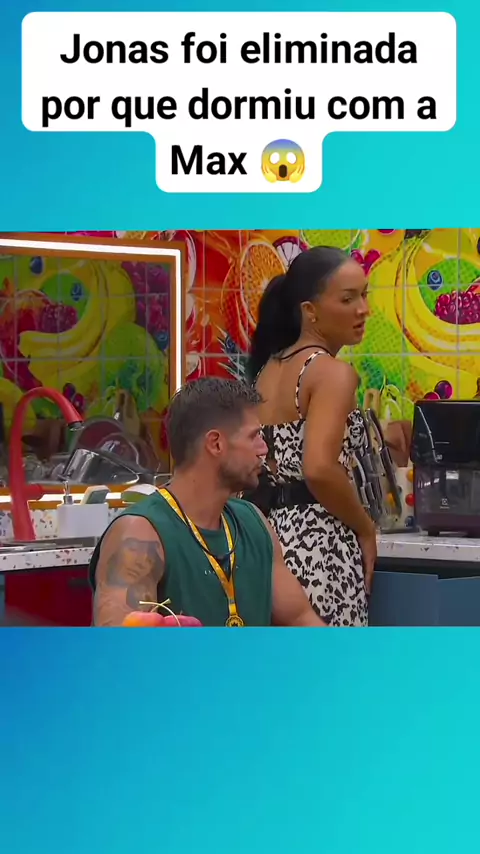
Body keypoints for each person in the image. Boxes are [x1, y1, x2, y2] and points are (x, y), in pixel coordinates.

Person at [89, 378, 326, 628]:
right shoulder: (140, 532)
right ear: (216, 443)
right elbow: (119, 639)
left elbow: (302, 621)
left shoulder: (254, 522)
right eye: (254, 436)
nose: (263, 449)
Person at [244, 246, 377, 627]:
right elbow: (318, 468)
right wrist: (365, 528)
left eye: (364, 295)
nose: (363, 309)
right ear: (310, 311)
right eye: (348, 299)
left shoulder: (269, 369)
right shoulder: (332, 373)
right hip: (321, 544)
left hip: (270, 538)